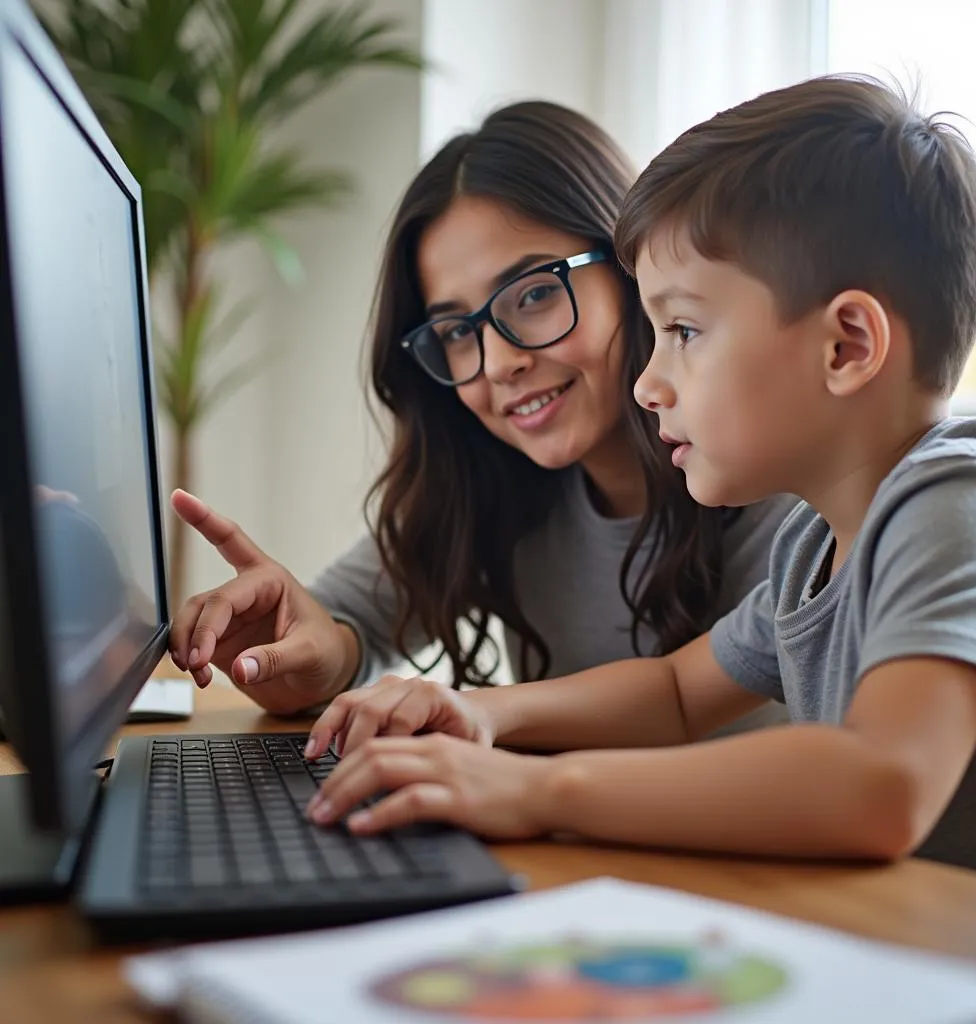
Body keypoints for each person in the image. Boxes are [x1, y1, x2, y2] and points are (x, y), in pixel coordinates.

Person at [302, 76, 976, 881]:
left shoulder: (958, 501)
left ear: (846, 347)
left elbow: (880, 788)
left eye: (683, 329)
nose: (650, 381)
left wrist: (541, 789)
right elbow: (676, 694)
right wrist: (477, 712)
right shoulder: (815, 546)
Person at [168, 102, 794, 730]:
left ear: (635, 266)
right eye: (457, 331)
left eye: (536, 294)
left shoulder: (792, 487)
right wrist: (292, 654)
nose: (498, 362)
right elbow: (333, 638)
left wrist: (510, 769)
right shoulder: (495, 480)